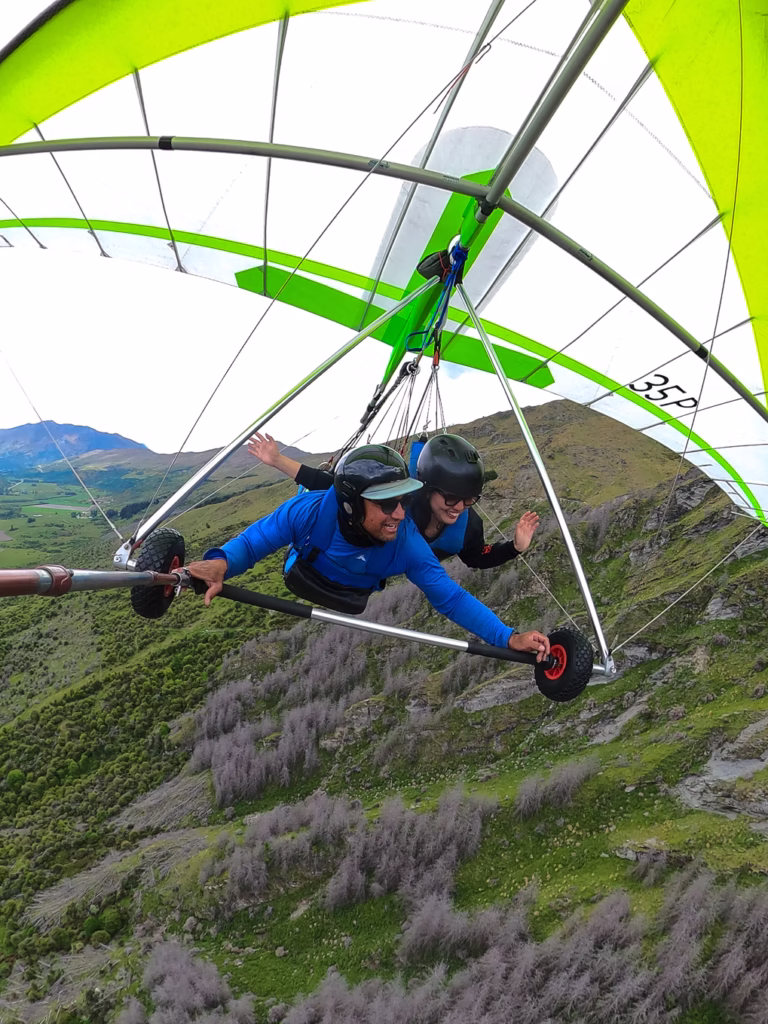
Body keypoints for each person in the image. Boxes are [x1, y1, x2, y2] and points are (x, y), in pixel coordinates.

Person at [185, 444, 550, 661]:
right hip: (306, 571)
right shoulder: (308, 513)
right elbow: (252, 543)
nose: (400, 514)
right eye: (387, 504)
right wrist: (221, 564)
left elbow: (451, 598)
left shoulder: (406, 542)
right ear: (351, 504)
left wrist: (508, 637)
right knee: (313, 491)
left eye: (403, 500)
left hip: (352, 593)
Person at [247, 431, 539, 568]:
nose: (459, 508)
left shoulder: (468, 525)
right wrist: (277, 460)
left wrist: (514, 547)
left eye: (469, 499)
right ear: (428, 488)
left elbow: (477, 557)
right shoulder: (402, 496)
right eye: (451, 498)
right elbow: (332, 484)